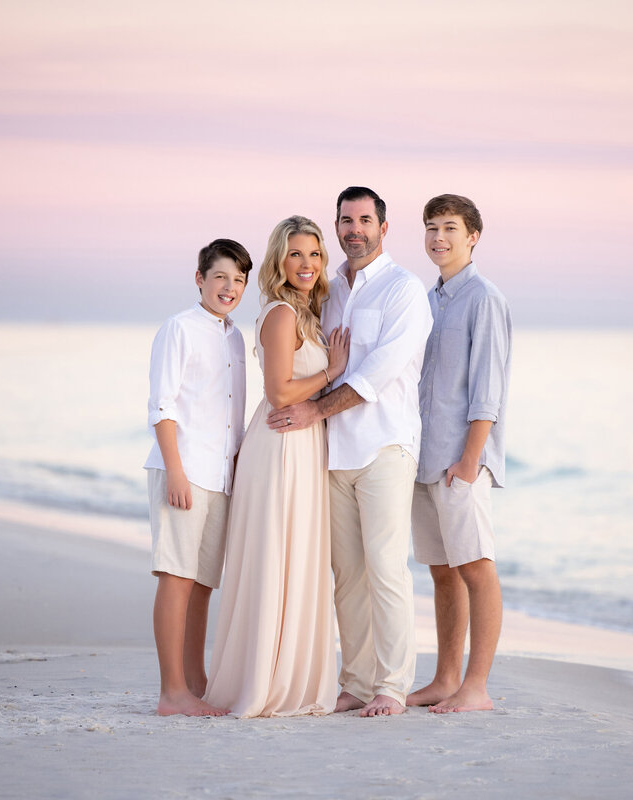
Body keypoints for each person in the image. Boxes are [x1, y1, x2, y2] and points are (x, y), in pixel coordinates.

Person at [267, 187, 432, 717]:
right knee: (348, 575)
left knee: (386, 568)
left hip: (385, 445)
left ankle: (393, 685)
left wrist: (315, 410)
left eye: (364, 219)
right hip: (333, 453)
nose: (354, 229)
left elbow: (379, 372)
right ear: (336, 227)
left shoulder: (405, 290)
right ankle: (357, 682)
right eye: (345, 220)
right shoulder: (328, 288)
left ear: (384, 226)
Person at [204, 216, 350, 717]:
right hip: (283, 445)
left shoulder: (308, 314)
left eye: (314, 254)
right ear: (278, 261)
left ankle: (290, 676)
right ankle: (263, 681)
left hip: (305, 445)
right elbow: (279, 392)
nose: (306, 264)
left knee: (298, 557)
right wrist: (333, 370)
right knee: (276, 558)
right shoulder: (282, 314)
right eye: (295, 255)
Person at [406, 194, 511, 713]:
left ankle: (477, 687)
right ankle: (446, 679)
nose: (438, 237)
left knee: (476, 567)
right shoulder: (427, 300)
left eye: (449, 227)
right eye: (431, 227)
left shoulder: (483, 298)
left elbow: (487, 388)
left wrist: (471, 459)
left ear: (473, 236)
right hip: (424, 460)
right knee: (441, 571)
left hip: (460, 461)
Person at [143, 238, 252, 716]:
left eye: (239, 280)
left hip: (219, 477)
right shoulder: (179, 328)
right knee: (176, 577)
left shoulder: (234, 337)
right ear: (200, 279)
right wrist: (175, 472)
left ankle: (194, 682)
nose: (229, 288)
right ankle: (172, 692)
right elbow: (162, 406)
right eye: (220, 277)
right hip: (183, 469)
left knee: (203, 583)